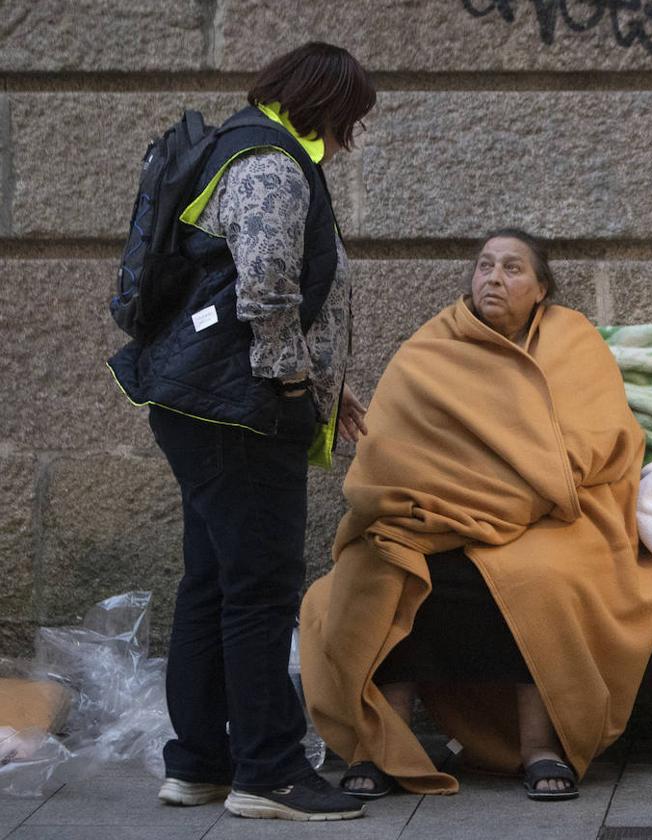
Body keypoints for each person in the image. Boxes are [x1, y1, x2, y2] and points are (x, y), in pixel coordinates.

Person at [298, 229, 652, 801]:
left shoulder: (573, 340)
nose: (493, 278)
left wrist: (513, 490)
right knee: (385, 564)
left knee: (536, 577)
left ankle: (541, 747)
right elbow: (390, 450)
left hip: (554, 515)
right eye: (484, 266)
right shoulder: (432, 348)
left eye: (513, 268)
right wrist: (454, 500)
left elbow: (599, 439)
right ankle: (383, 746)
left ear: (542, 289)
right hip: (438, 517)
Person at [107, 42, 375, 821]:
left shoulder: (236, 146)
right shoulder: (270, 163)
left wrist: (330, 381)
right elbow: (264, 289)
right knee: (258, 590)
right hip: (240, 410)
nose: (348, 134)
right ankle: (271, 773)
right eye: (348, 115)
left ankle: (199, 764)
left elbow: (237, 291)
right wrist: (294, 382)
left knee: (214, 582)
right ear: (323, 101)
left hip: (205, 401)